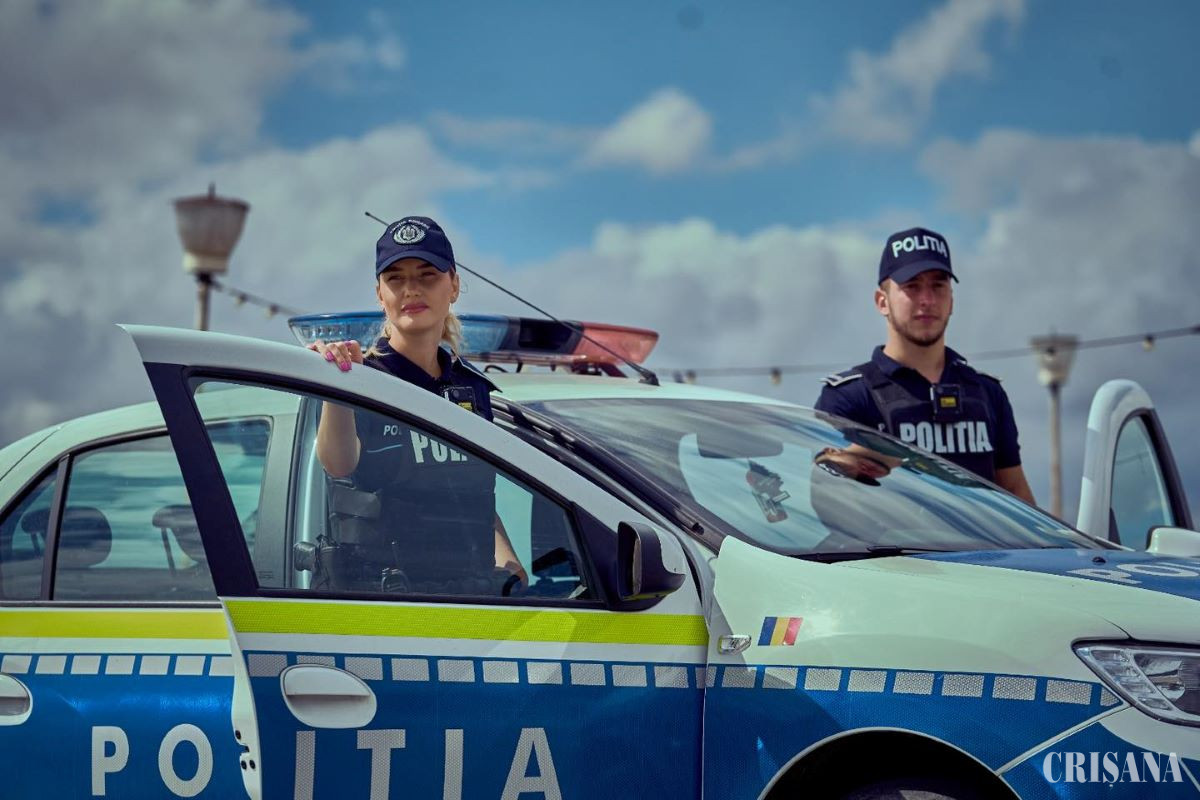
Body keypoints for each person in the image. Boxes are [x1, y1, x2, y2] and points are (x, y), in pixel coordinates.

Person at [309, 215, 527, 592]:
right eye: (396, 279)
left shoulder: (472, 388)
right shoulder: (358, 378)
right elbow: (338, 463)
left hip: (468, 599)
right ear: (380, 294)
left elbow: (472, 495)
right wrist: (338, 385)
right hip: (382, 604)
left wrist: (510, 563)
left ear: (453, 285)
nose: (411, 290)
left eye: (427, 276)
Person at [814, 226, 1036, 504]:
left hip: (980, 534)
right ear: (882, 302)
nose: (927, 300)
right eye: (912, 286)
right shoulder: (849, 396)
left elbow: (1015, 493)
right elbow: (826, 502)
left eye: (938, 286)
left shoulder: (987, 393)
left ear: (951, 300)